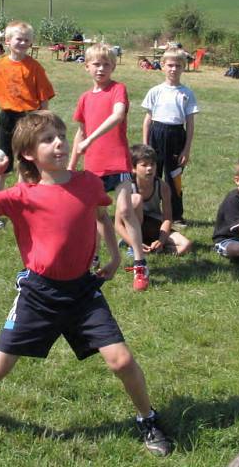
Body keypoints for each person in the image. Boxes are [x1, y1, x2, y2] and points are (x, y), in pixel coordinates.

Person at [0, 111, 172, 457]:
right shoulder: (22, 195)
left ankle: (147, 417)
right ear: (28, 153)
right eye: (47, 139)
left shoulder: (86, 182)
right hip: (39, 294)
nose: (59, 142)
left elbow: (101, 215)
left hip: (83, 292)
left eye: (60, 136)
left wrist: (115, 256)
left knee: (121, 361)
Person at [69, 43, 151, 291]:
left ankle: (140, 264)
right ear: (86, 67)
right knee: (97, 216)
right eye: (96, 64)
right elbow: (80, 132)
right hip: (94, 166)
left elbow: (117, 116)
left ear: (114, 66)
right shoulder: (84, 98)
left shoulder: (118, 89)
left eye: (106, 64)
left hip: (118, 161)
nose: (101, 68)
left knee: (125, 210)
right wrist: (72, 165)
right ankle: (92, 259)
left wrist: (90, 139)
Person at [0, 21, 55, 228]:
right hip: (7, 117)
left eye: (26, 40)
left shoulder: (34, 67)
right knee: (2, 162)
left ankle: (24, 205)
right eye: (18, 39)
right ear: (7, 41)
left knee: (27, 162)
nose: (22, 43)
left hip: (29, 118)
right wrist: (2, 97)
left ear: (31, 42)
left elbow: (44, 97)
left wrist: (43, 118)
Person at [141, 48, 199, 227]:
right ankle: (149, 212)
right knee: (152, 175)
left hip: (176, 136)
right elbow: (148, 119)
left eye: (178, 66)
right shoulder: (155, 91)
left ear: (184, 68)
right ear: (163, 66)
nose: (174, 69)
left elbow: (189, 123)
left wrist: (186, 149)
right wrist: (145, 146)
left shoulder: (187, 93)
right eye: (170, 65)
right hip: (156, 134)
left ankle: (176, 215)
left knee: (174, 177)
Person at [116, 144, 191, 256]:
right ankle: (132, 244)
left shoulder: (163, 186)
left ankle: (154, 249)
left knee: (186, 245)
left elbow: (167, 219)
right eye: (144, 165)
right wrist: (132, 242)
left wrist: (161, 240)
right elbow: (118, 224)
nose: (150, 168)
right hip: (133, 226)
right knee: (136, 199)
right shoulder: (126, 187)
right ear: (133, 168)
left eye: (152, 164)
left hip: (154, 226)